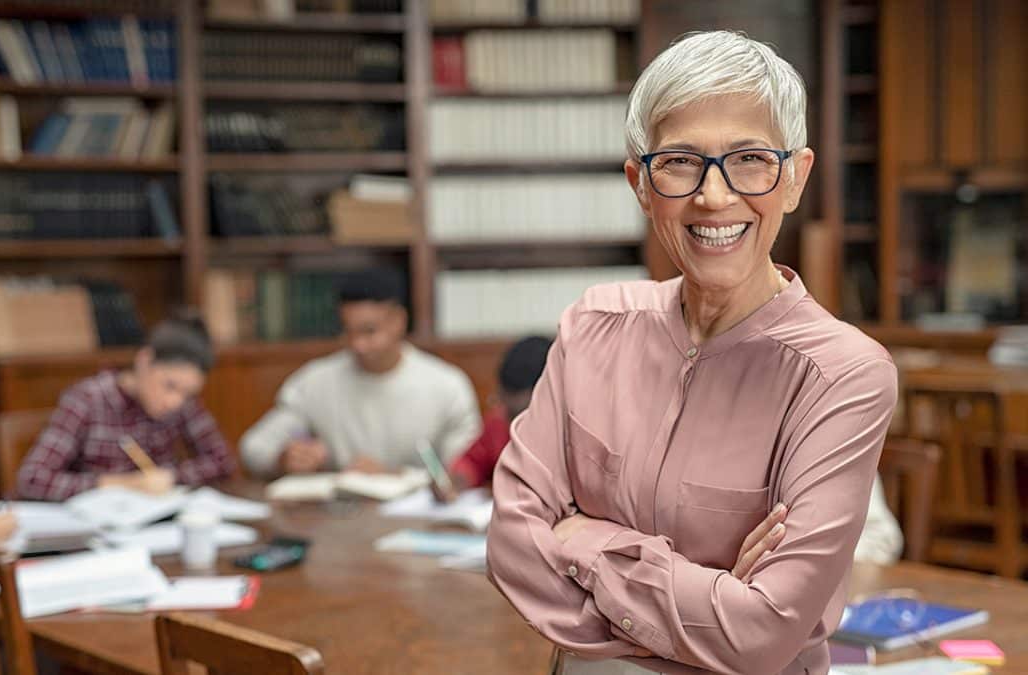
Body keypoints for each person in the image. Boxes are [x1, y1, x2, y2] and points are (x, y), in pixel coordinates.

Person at [485, 31, 898, 675]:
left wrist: (588, 543)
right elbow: (512, 547)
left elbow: (763, 635)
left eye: (750, 159)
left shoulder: (843, 374)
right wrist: (710, 600)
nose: (713, 196)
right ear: (640, 185)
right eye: (679, 161)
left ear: (794, 178)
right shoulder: (591, 325)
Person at [239, 269, 482, 477]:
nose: (358, 345)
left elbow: (465, 471)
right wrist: (282, 459)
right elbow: (253, 448)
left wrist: (393, 476)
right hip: (336, 520)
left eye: (369, 332)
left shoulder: (447, 385)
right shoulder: (314, 382)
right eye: (348, 332)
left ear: (399, 321)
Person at [15, 310, 236, 501]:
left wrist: (171, 476)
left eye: (187, 394)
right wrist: (121, 484)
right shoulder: (88, 399)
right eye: (169, 386)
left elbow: (222, 461)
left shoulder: (183, 405)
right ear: (145, 361)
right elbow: (32, 478)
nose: (174, 401)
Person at [435, 336, 552, 501]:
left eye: (519, 413)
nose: (512, 423)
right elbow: (472, 461)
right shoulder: (499, 421)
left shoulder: (575, 433)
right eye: (504, 404)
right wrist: (456, 481)